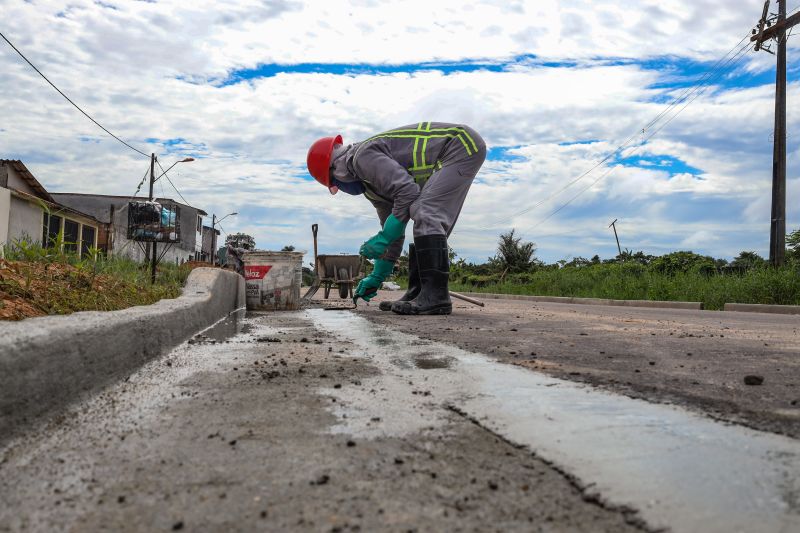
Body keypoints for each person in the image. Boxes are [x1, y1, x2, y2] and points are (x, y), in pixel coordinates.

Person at [307, 122, 486, 315]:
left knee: (425, 211)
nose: (341, 187)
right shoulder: (372, 189)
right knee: (425, 217)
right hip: (454, 152)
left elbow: (408, 193)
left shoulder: (361, 157)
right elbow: (394, 228)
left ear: (337, 169)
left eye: (335, 182)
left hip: (460, 146)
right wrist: (377, 275)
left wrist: (383, 236)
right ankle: (419, 292)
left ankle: (436, 297)